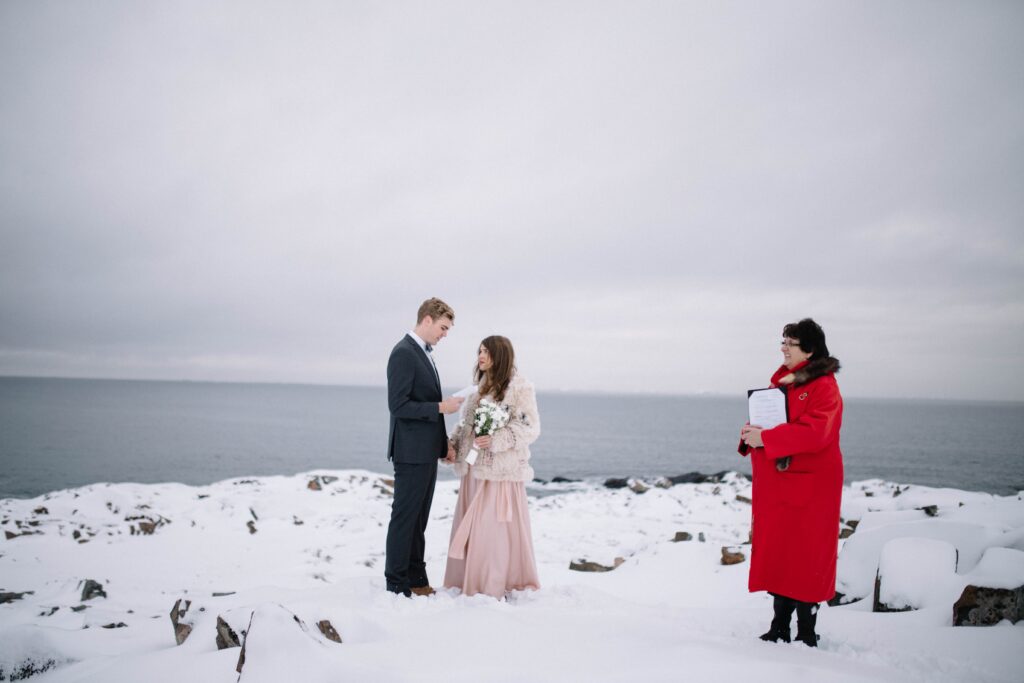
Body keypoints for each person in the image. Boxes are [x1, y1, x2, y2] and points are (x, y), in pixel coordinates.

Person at [739, 318, 843, 647]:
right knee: (781, 553)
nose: (783, 348)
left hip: (811, 489)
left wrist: (766, 437)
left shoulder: (824, 387)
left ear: (809, 350)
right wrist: (750, 434)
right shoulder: (783, 383)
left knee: (807, 557)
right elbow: (770, 422)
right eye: (783, 341)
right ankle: (779, 627)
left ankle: (806, 633)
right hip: (780, 486)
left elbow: (816, 432)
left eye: (790, 342)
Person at [443, 335, 541, 599]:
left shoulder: (520, 387)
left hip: (501, 471)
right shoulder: (479, 387)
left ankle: (492, 583)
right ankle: (468, 580)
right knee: (473, 526)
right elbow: (466, 427)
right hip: (473, 467)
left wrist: (498, 439)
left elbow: (529, 427)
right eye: (479, 351)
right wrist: (451, 446)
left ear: (500, 355)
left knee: (492, 530)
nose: (480, 356)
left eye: (486, 352)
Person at [384, 298, 465, 597]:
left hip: (425, 450)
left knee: (419, 519)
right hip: (409, 452)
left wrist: (443, 444)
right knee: (405, 517)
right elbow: (398, 405)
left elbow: (427, 406)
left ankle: (417, 579)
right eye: (443, 328)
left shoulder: (424, 353)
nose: (445, 334)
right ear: (427, 320)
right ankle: (396, 583)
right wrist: (441, 407)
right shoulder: (404, 353)